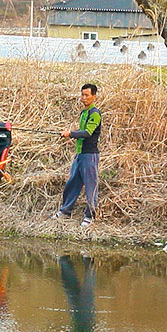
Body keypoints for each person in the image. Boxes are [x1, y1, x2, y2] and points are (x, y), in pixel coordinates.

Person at [58, 82, 103, 226]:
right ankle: (65, 211)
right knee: (73, 183)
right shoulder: (83, 112)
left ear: (94, 96)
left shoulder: (94, 113)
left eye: (87, 95)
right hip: (80, 154)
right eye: (82, 95)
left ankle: (89, 217)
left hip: (90, 155)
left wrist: (70, 133)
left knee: (91, 186)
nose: (83, 98)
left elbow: (87, 133)